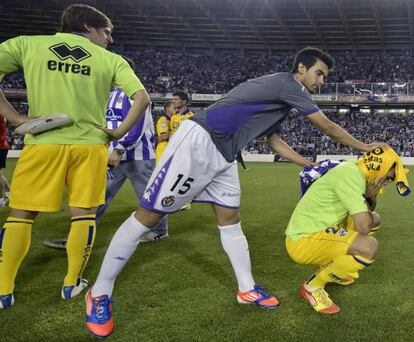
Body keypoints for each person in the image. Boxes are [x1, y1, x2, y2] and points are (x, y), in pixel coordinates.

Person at [85, 47, 388, 338]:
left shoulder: (283, 97)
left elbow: (272, 139)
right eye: (319, 73)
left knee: (230, 218)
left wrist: (305, 162)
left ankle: (246, 288)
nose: (322, 81)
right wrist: (366, 146)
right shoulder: (287, 84)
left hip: (226, 153)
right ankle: (99, 293)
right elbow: (327, 125)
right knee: (148, 216)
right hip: (201, 142)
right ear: (301, 68)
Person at [0, 3, 150, 309]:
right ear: (88, 27)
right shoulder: (111, 59)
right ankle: (71, 284)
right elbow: (142, 98)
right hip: (90, 146)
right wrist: (118, 132)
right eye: (106, 32)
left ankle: (4, 289)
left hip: (43, 143)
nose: (109, 39)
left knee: (22, 214)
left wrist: (15, 118)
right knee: (83, 214)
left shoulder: (27, 44)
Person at [42, 58, 168, 250]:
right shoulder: (112, 94)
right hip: (114, 158)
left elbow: (138, 127)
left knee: (148, 196)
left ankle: (160, 231)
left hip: (137, 158)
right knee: (99, 196)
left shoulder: (134, 92)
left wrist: (119, 148)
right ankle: (78, 235)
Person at [285, 147, 410, 314]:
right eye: (389, 176)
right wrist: (369, 196)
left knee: (374, 219)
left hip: (320, 231)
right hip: (302, 240)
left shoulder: (355, 169)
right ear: (380, 166)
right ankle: (312, 286)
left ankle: (335, 268)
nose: (387, 181)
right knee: (368, 247)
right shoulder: (351, 176)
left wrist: (370, 197)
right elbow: (363, 228)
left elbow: (369, 215)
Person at [0, 113, 11, 207]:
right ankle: (10, 195)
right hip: (3, 145)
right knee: (0, 174)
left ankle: (0, 200)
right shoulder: (2, 113)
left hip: (0, 146)